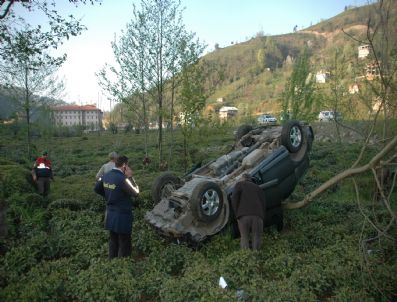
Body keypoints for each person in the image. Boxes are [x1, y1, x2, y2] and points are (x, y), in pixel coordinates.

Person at [94, 155, 139, 259]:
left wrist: (109, 195)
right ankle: (123, 267)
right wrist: (130, 177)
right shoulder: (123, 179)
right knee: (124, 244)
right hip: (122, 216)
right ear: (124, 166)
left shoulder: (106, 175)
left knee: (113, 241)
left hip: (110, 215)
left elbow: (96, 188)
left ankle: (112, 263)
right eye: (128, 165)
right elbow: (136, 193)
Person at [231, 173, 266, 250]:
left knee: (244, 237)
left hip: (243, 216)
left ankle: (246, 257)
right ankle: (256, 256)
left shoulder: (239, 184)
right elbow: (263, 203)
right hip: (257, 216)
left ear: (243, 178)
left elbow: (234, 198)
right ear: (250, 179)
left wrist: (237, 213)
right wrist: (261, 216)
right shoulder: (258, 188)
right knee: (256, 237)